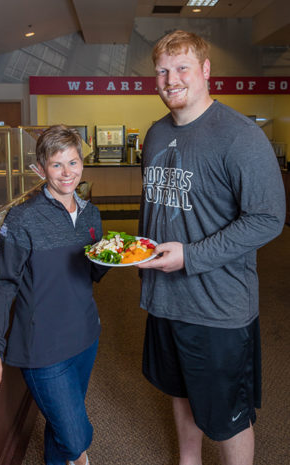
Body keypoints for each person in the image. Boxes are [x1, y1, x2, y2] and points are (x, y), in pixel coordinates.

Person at [137, 30, 286, 465]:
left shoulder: (240, 136)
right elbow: (161, 210)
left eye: (182, 67)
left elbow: (267, 218)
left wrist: (191, 256)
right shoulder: (155, 134)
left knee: (227, 416)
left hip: (218, 307)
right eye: (162, 70)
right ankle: (189, 461)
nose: (171, 79)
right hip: (164, 299)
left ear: (205, 71)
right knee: (179, 390)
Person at [0, 125, 107, 465]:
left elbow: (92, 271)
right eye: (57, 165)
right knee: (76, 435)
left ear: (82, 163)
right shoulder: (23, 218)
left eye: (73, 162)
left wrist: (111, 258)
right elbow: (4, 282)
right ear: (40, 168)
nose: (67, 173)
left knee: (58, 425)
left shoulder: (91, 214)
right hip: (43, 347)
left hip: (85, 335)